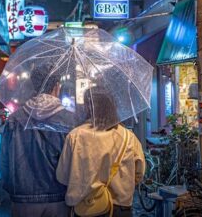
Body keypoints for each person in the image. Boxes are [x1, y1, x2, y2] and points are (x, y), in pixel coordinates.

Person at [56, 86, 146, 217]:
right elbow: (139, 173)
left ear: (88, 107)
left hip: (87, 208)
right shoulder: (128, 137)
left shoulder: (75, 136)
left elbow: (62, 176)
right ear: (112, 106)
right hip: (120, 209)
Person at [0, 66, 73, 217]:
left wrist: (12, 187)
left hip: (22, 197)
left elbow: (4, 160)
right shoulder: (69, 120)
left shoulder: (15, 119)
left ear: (34, 85)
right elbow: (74, 162)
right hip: (59, 197)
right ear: (57, 86)